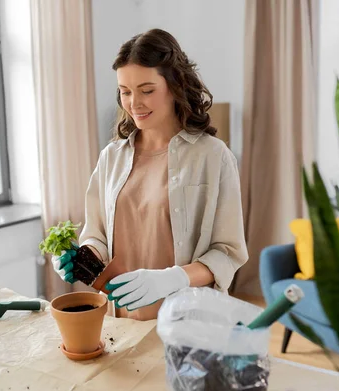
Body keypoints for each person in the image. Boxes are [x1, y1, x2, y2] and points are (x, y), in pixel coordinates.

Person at [52, 28, 248, 321]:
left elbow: (228, 252)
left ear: (174, 85)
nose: (134, 103)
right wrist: (83, 257)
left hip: (189, 322)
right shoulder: (111, 158)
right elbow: (97, 235)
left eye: (147, 90)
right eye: (125, 91)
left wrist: (173, 279)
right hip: (121, 320)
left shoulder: (212, 156)